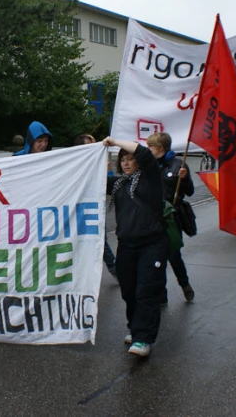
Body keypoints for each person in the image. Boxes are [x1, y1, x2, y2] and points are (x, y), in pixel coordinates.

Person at [104, 137, 168, 357]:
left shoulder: (151, 178)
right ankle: (135, 327)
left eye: (130, 159)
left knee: (146, 290)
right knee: (129, 290)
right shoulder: (119, 184)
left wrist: (114, 141)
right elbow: (90, 179)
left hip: (152, 245)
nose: (126, 163)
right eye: (123, 160)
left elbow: (145, 155)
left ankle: (143, 338)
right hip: (127, 246)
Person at [146, 132, 195, 303]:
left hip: (171, 217)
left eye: (150, 146)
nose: (148, 149)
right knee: (156, 256)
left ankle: (185, 284)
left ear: (160, 148)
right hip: (153, 216)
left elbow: (189, 191)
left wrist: (185, 178)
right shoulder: (148, 165)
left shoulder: (178, 165)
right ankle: (161, 294)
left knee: (173, 254)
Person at [73, 133, 117, 280]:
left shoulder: (99, 163)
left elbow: (109, 186)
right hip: (75, 209)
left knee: (99, 238)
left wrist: (107, 170)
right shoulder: (73, 166)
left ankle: (113, 269)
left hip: (94, 207)